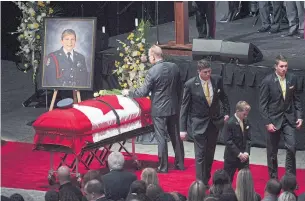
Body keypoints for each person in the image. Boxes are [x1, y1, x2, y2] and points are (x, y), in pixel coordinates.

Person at [122, 45, 185, 173]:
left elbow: (143, 92)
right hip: (173, 107)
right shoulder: (174, 67)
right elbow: (180, 88)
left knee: (161, 137)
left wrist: (129, 92)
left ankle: (163, 167)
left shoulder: (153, 71)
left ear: (153, 56)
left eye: (149, 56)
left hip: (159, 110)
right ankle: (180, 164)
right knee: (175, 136)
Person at [180, 59, 230, 187]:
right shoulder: (190, 84)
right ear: (199, 72)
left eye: (209, 71)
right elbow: (184, 108)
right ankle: (199, 183)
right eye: (205, 72)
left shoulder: (217, 80)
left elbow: (224, 98)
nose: (208, 74)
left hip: (214, 123)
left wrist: (226, 113)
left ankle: (206, 179)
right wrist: (182, 129)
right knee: (200, 154)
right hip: (198, 124)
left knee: (210, 153)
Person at [259, 55, 303, 180]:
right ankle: (273, 179)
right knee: (272, 152)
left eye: (286, 66)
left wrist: (300, 116)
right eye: (281, 66)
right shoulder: (267, 81)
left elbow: (297, 100)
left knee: (292, 147)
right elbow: (262, 105)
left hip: (288, 119)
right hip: (273, 120)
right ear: (276, 67)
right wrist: (267, 122)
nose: (284, 69)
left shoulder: (292, 78)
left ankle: (290, 178)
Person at [224, 101, 252, 183]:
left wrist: (246, 152)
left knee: (245, 180)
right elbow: (228, 141)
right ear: (237, 111)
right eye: (244, 113)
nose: (246, 115)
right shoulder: (230, 123)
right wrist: (239, 154)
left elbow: (249, 139)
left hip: (244, 158)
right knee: (228, 180)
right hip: (232, 157)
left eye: (247, 113)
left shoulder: (247, 121)